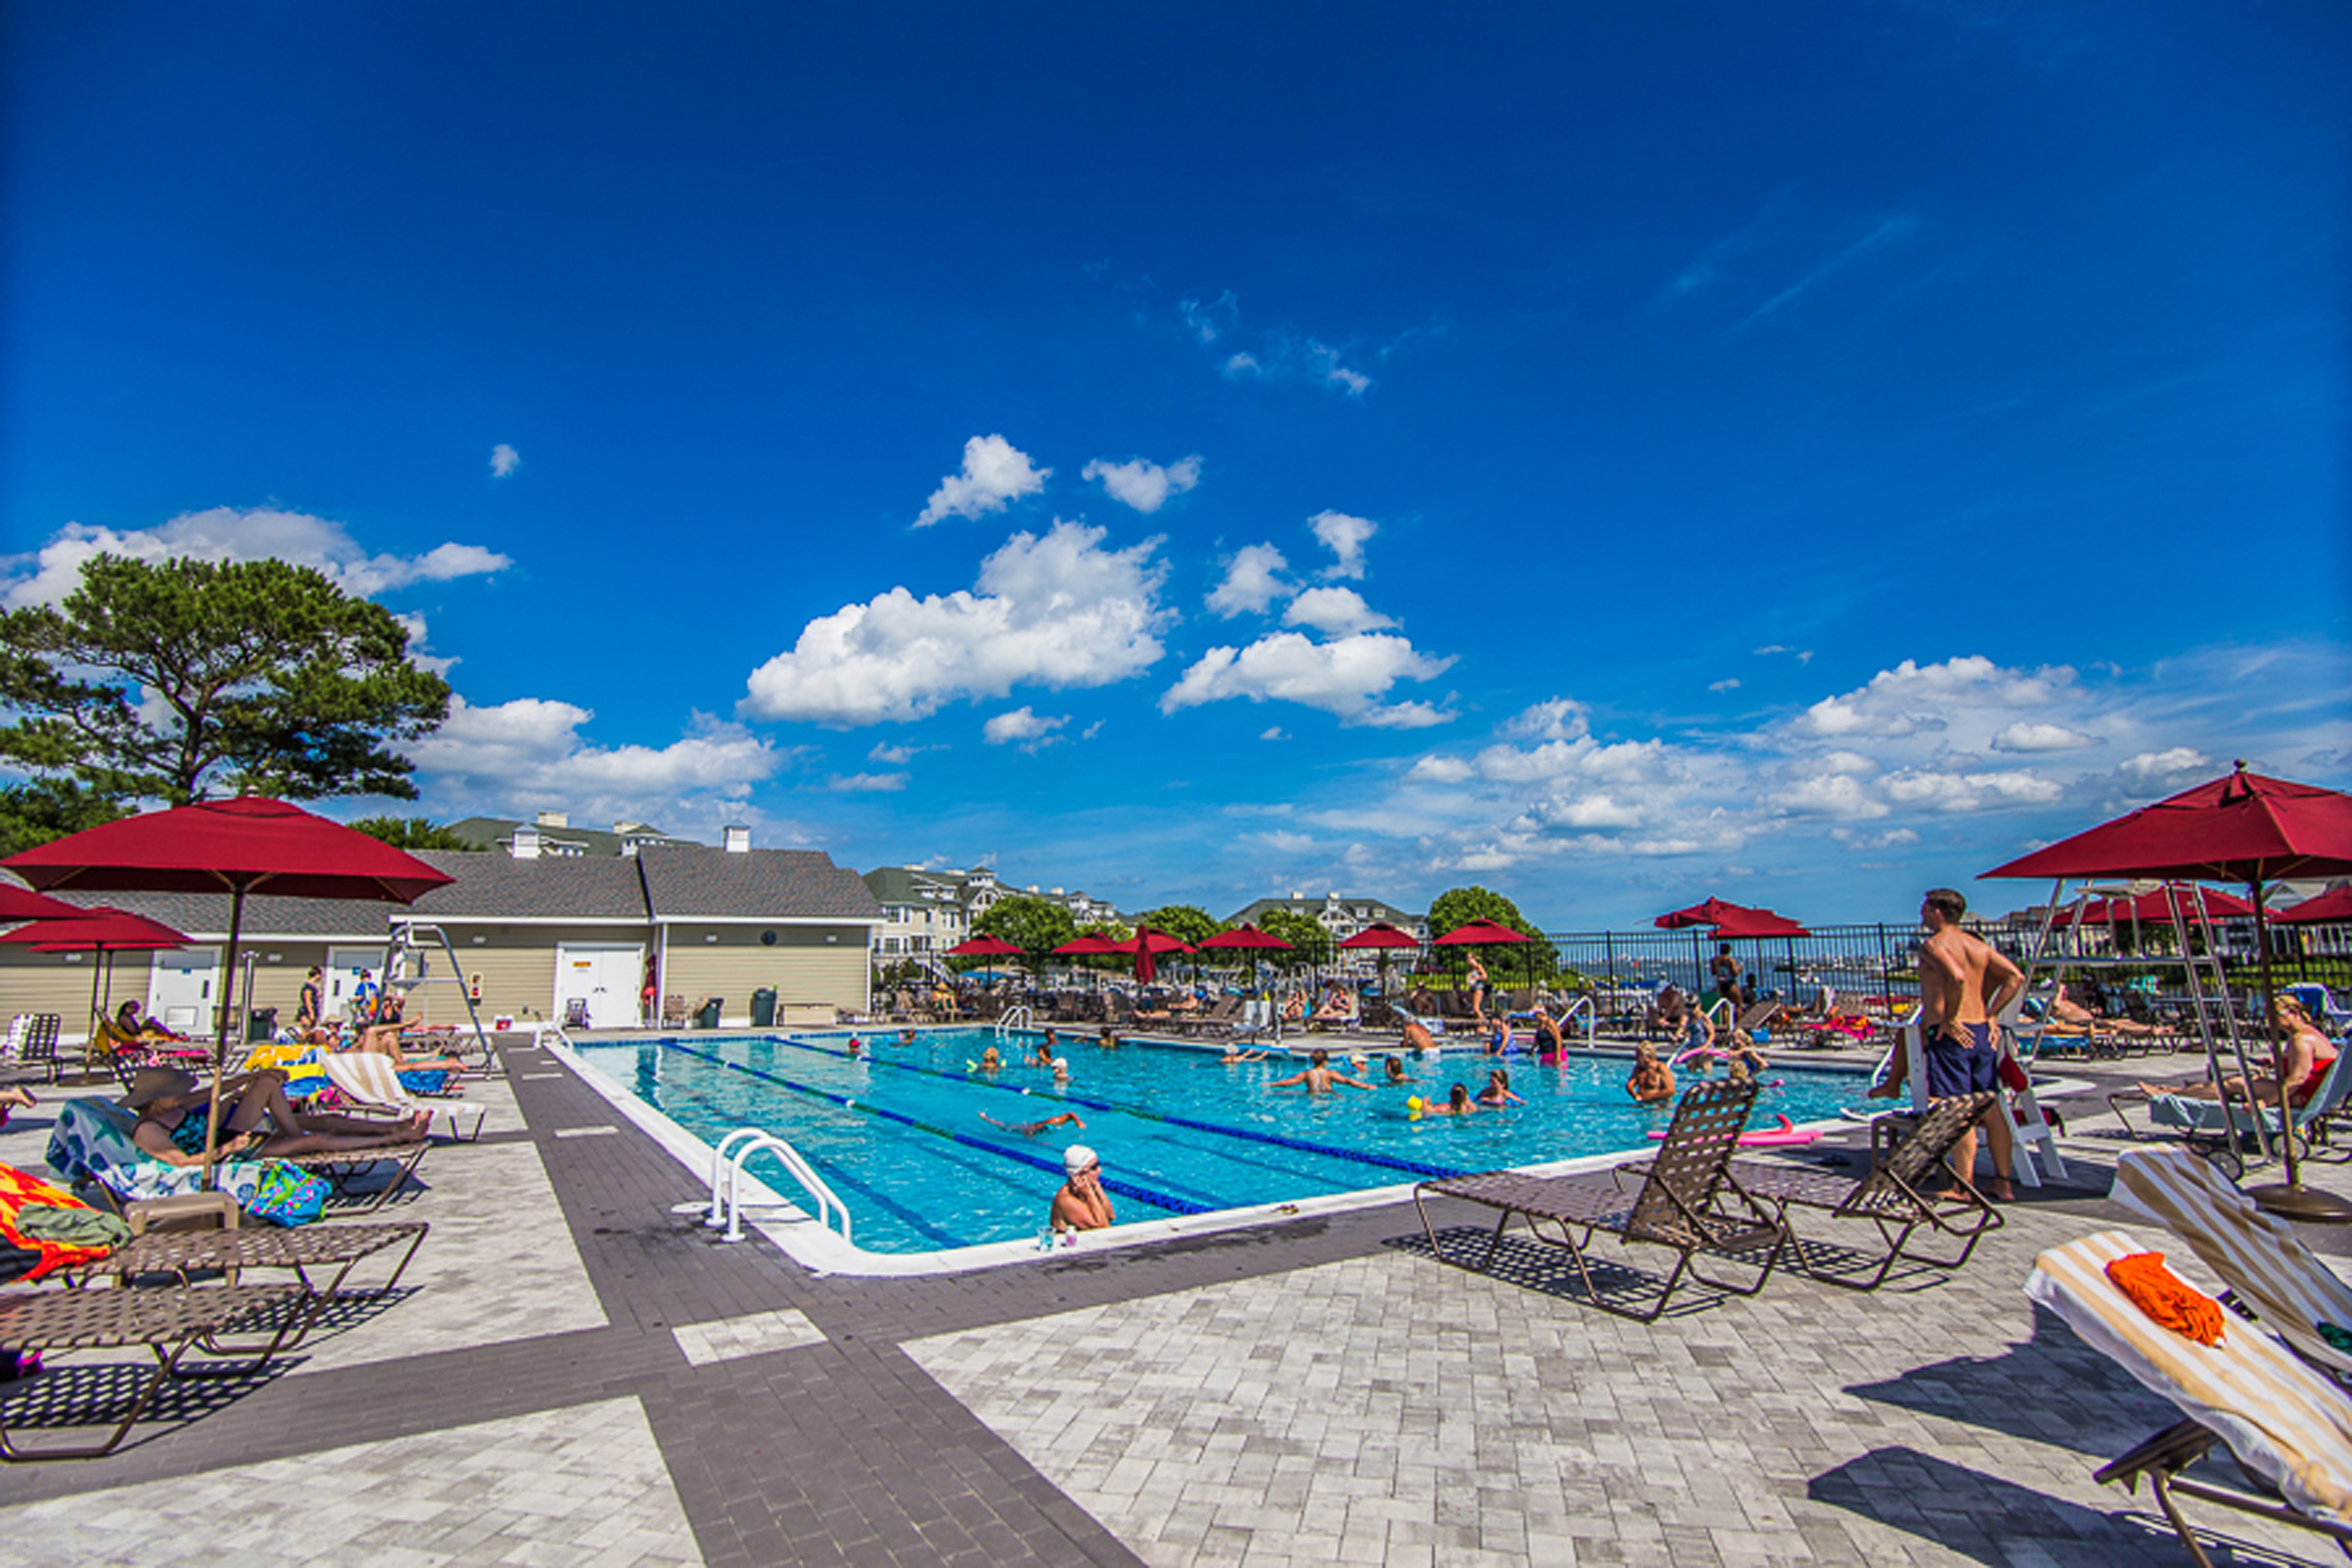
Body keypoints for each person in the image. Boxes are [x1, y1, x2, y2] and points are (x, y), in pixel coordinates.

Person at [1912, 886, 2026, 1200]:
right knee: (1990, 1107)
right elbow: (2014, 977)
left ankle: (1962, 1185)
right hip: (1979, 1033)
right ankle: (2003, 1183)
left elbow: (1957, 977)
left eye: (1924, 909)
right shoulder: (1977, 945)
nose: (1921, 915)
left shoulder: (1934, 945)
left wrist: (1949, 1018)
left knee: (1957, 1110)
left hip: (1951, 1036)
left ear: (1937, 912)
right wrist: (1991, 1015)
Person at [123, 1066, 424, 1164]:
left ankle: (396, 1124)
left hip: (229, 1132)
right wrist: (228, 1148)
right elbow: (184, 1162)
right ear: (154, 1099)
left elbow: (216, 1089)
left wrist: (251, 1078)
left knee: (273, 1088)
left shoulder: (175, 1107)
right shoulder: (148, 1129)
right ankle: (397, 1136)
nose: (179, 1095)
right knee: (315, 1138)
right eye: (172, 1091)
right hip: (227, 1152)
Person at [2141, 994, 2333, 1109]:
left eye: (2276, 1017)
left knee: (2234, 1083)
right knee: (2238, 1079)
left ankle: (2172, 1095)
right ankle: (2174, 1091)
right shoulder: (2308, 1034)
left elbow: (2298, 1079)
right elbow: (2305, 1064)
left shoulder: (2302, 1040)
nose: (2271, 1022)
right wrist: (2276, 1062)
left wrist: (2266, 1103)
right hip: (2314, 1092)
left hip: (2304, 1095)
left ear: (2296, 1013)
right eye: (2268, 1018)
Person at [1051, 1144, 1115, 1232]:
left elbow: (1110, 1216)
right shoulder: (1066, 1199)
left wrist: (1097, 1186)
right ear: (1078, 1174)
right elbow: (1103, 1230)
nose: (1100, 1170)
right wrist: (1089, 1195)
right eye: (1094, 1167)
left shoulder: (1087, 1186)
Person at [1268, 1048, 1374, 1093]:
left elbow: (1287, 1083)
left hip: (1312, 1096)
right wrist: (1366, 1086)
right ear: (1325, 1062)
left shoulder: (1306, 1074)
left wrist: (1271, 1084)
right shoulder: (1329, 1073)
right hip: (1327, 1095)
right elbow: (1348, 1081)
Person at [981, 1109, 1086, 1138]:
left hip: (1032, 1127)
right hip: (1027, 1128)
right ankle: (987, 1119)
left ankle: (987, 1118)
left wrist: (1079, 1122)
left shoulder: (1056, 1121)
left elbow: (1071, 1114)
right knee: (1005, 1127)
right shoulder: (1030, 1132)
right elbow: (1030, 1137)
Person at [1709, 944, 1741, 1013]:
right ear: (1729, 950)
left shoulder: (1715, 960)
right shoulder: (1730, 960)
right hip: (1730, 982)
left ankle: (1726, 1023)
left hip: (1720, 983)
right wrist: (1740, 968)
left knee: (1725, 1008)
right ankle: (1738, 1023)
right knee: (1738, 1004)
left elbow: (1713, 972)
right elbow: (1735, 973)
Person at [296, 966, 324, 1032]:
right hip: (307, 1011)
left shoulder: (313, 986)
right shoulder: (308, 986)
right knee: (306, 1028)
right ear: (317, 975)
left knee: (311, 1029)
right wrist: (311, 1013)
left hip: (313, 1009)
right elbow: (307, 1000)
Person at [1465, 955, 1490, 1026]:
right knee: (1473, 1009)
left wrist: (1476, 978)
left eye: (1470, 959)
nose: (1468, 961)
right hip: (1472, 989)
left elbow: (1485, 976)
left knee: (1476, 1008)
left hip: (1478, 989)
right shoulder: (1471, 969)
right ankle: (1478, 1025)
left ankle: (1483, 1023)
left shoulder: (1478, 966)